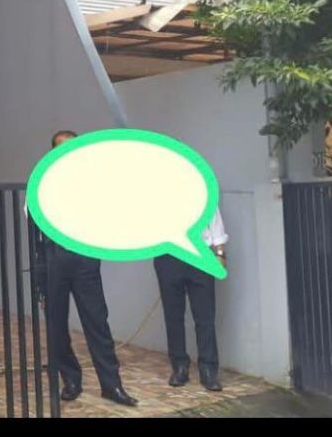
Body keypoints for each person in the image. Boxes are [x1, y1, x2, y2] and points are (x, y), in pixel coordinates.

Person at [30, 129, 138, 407]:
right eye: (61, 148)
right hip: (53, 259)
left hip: (84, 260)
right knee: (56, 327)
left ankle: (112, 385)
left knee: (97, 322)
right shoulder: (40, 184)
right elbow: (33, 226)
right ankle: (71, 380)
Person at [152, 207, 228, 391]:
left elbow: (214, 218)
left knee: (205, 316)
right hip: (168, 255)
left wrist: (220, 252)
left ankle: (208, 369)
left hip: (200, 253)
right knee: (173, 316)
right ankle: (179, 366)